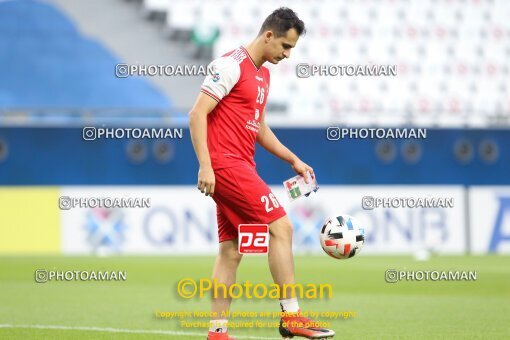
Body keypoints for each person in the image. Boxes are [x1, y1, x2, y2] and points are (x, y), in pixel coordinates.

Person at [189, 7, 335, 340]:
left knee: (231, 251)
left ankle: (217, 333)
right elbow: (197, 113)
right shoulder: (230, 65)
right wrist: (206, 165)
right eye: (285, 46)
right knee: (281, 226)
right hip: (226, 165)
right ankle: (292, 317)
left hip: (238, 164)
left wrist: (292, 159)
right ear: (268, 35)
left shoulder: (263, 75)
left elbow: (258, 127)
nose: (286, 54)